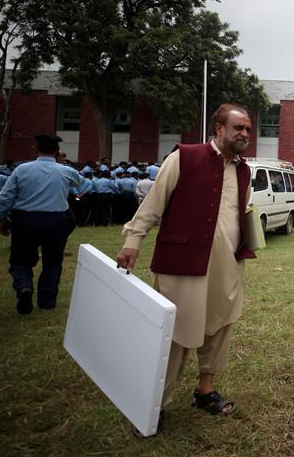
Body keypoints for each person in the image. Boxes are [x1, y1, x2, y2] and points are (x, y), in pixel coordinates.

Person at [116, 103, 256, 421]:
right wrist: (133, 240)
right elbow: (154, 203)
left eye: (248, 129)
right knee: (175, 332)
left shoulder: (244, 170)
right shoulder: (184, 157)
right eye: (238, 127)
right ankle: (156, 405)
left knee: (219, 326)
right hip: (182, 262)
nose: (245, 134)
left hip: (227, 265)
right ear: (218, 129)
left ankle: (205, 390)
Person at [0, 134, 84, 313]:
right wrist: (62, 163)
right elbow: (80, 182)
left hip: (25, 220)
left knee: (21, 259)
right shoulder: (65, 171)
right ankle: (47, 301)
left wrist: (3, 218)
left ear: (35, 148)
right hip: (56, 221)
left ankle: (24, 286)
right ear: (58, 152)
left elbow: (5, 196)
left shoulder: (21, 169)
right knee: (53, 261)